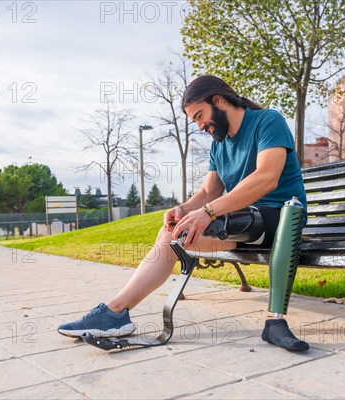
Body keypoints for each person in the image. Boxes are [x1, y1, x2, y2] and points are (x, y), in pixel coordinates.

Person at [58, 75, 309, 352]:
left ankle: (114, 313)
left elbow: (266, 177)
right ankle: (116, 312)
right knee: (173, 232)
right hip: (238, 221)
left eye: (200, 115)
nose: (200, 126)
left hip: (280, 218)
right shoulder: (219, 144)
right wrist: (184, 209)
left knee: (219, 221)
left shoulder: (267, 121)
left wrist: (208, 213)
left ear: (219, 100)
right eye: (195, 121)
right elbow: (208, 192)